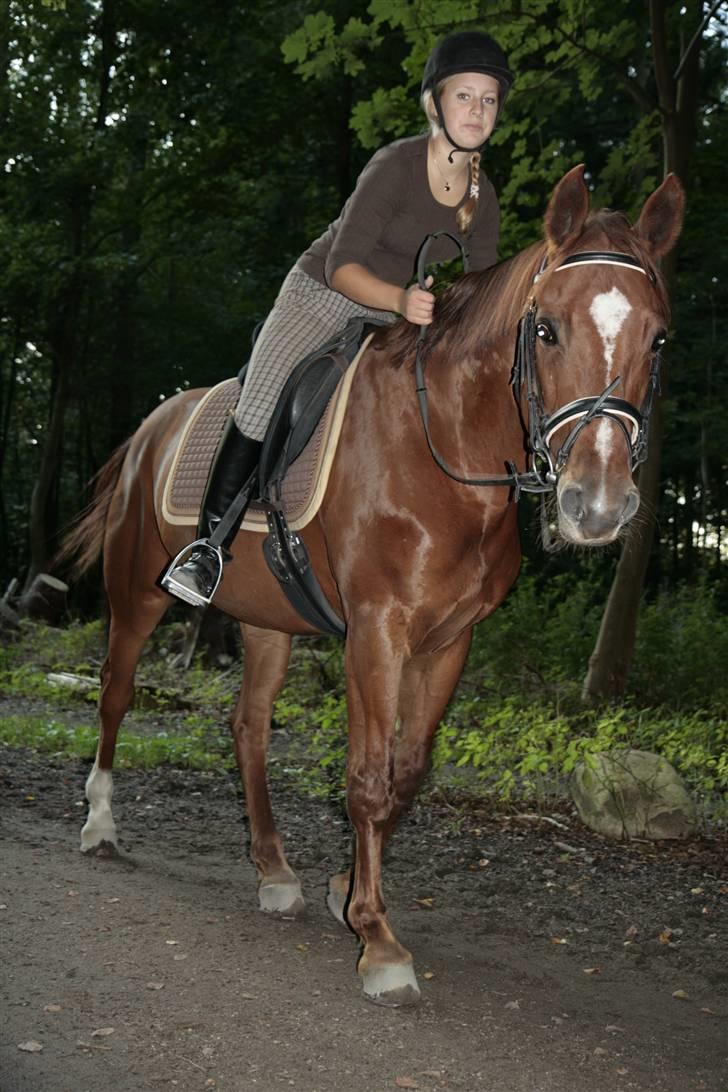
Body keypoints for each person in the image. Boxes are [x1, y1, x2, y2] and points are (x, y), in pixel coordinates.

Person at [162, 30, 514, 607]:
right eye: (464, 96)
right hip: (323, 293)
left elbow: (481, 292)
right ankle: (207, 549)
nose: (476, 110)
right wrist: (401, 301)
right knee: (263, 393)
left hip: (405, 314)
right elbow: (343, 266)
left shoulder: (486, 197)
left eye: (488, 99)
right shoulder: (396, 165)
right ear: (436, 103)